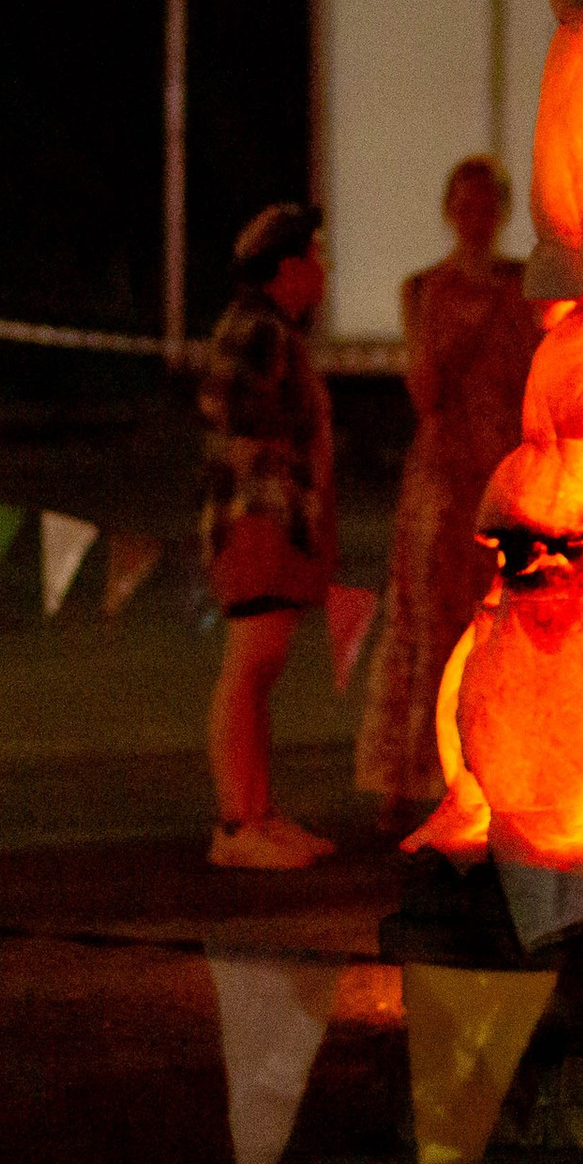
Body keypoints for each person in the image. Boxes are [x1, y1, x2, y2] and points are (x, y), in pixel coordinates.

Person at [357, 156, 539, 829]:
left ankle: (493, 771)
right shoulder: (423, 291)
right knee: (426, 624)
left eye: (487, 202)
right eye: (465, 202)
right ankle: (406, 776)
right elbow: (424, 392)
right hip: (441, 478)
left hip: (501, 476)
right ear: (448, 210)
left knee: (498, 627)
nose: (476, 215)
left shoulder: (522, 289)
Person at [197, 202, 338, 870]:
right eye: (316, 257)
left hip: (275, 518)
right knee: (248, 667)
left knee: (261, 668)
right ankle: (236, 822)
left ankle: (258, 810)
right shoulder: (258, 330)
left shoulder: (271, 329)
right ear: (289, 267)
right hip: (259, 520)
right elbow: (244, 426)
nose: (324, 271)